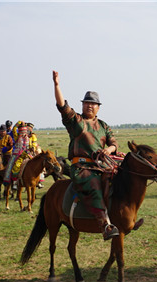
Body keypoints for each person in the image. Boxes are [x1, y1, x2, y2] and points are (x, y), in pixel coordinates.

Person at [52, 70, 119, 240]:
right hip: (82, 168)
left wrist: (109, 150)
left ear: (98, 107)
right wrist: (57, 85)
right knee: (94, 183)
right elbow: (62, 107)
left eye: (93, 104)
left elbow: (114, 144)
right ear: (82, 106)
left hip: (102, 165)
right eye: (86, 103)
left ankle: (124, 218)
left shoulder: (104, 125)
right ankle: (105, 225)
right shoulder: (76, 122)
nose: (89, 106)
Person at [3, 121, 31, 189]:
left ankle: (39, 180)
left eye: (25, 131)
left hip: (27, 154)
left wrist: (32, 148)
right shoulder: (17, 137)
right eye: (22, 131)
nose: (23, 133)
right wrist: (18, 123)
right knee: (14, 166)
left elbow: (30, 146)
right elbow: (14, 129)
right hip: (18, 154)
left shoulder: (28, 138)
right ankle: (15, 182)